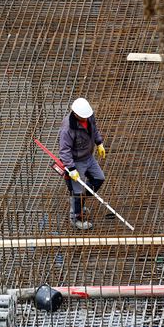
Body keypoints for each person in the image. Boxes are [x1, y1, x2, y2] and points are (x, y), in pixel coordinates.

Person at [59, 98, 106, 230]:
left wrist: (99, 143)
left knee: (99, 179)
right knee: (77, 192)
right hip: (76, 161)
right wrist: (71, 168)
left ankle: (79, 203)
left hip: (88, 157)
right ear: (75, 114)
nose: (86, 119)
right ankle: (76, 218)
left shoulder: (88, 116)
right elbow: (64, 150)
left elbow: (94, 130)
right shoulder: (67, 128)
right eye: (83, 117)